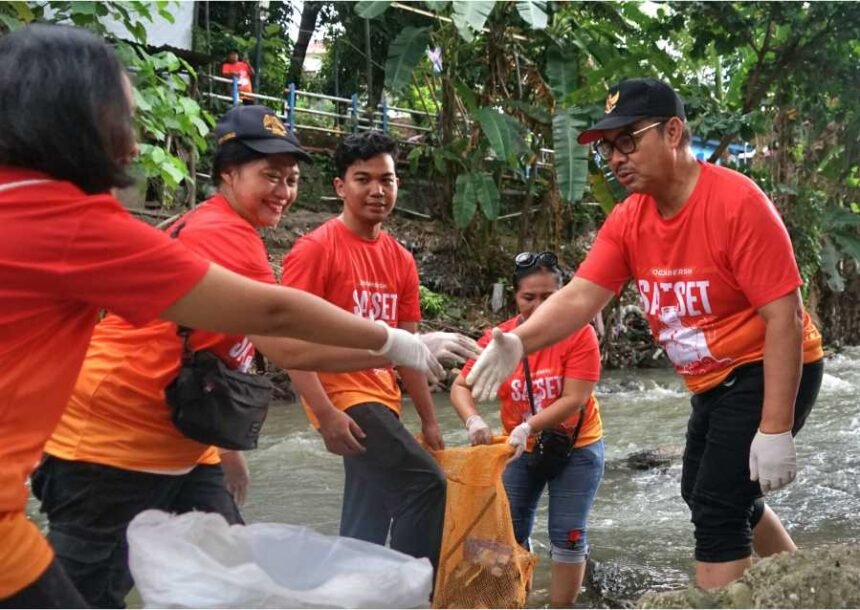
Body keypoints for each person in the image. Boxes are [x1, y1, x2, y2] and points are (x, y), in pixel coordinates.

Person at [0, 25, 443, 608]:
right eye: (122, 125)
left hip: (178, 440)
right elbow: (279, 324)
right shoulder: (103, 222)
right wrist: (395, 344)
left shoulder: (44, 204)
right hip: (112, 447)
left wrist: (222, 448)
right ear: (227, 175)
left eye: (291, 178)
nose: (132, 147)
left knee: (233, 582)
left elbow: (215, 343)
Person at [466, 78, 825, 591]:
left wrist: (774, 428)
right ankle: (799, 583)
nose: (616, 158)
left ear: (674, 131)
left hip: (766, 364)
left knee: (718, 508)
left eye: (629, 139)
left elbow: (784, 318)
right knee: (700, 490)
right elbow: (582, 295)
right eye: (608, 148)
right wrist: (521, 340)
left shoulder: (736, 203)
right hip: (712, 379)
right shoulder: (629, 219)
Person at [281, 131, 448, 573]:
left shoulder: (400, 260)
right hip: (343, 400)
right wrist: (324, 414)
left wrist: (429, 421)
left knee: (366, 521)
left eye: (387, 180)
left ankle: (349, 598)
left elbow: (410, 351)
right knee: (427, 486)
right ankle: (412, 596)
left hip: (382, 400)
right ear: (340, 186)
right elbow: (286, 341)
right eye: (363, 179)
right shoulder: (315, 249)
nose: (378, 190)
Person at [450, 251, 604, 607]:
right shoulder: (499, 339)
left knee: (567, 534)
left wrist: (527, 425)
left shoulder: (580, 334)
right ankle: (515, 600)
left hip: (576, 447)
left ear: (564, 295)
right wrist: (473, 419)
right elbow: (460, 387)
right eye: (528, 297)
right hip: (519, 451)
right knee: (505, 534)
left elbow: (575, 399)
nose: (538, 306)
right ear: (515, 297)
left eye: (549, 297)